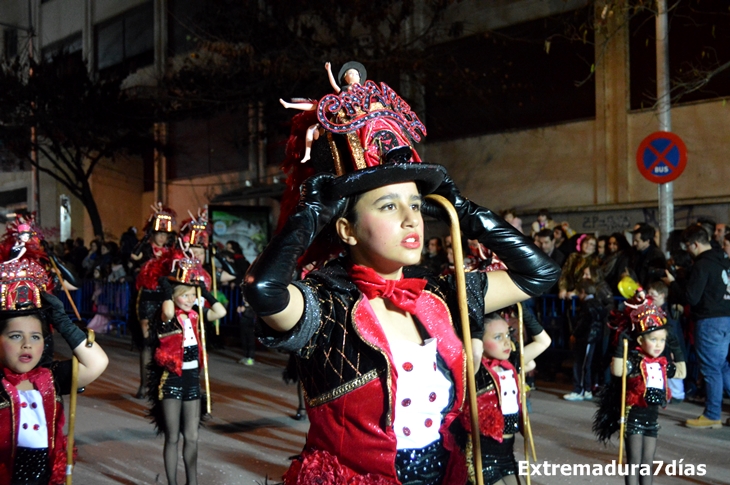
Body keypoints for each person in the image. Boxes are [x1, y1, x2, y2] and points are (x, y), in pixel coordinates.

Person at [0, 257, 109, 485]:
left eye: (36, 337)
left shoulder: (50, 376)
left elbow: (96, 363)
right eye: (15, 336)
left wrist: (64, 323)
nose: (27, 345)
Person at [146, 254, 227, 485]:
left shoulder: (197, 316)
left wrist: (204, 291)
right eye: (185, 295)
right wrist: (166, 288)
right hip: (171, 380)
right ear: (174, 297)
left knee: (192, 436)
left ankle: (192, 482)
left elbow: (220, 312)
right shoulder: (166, 317)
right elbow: (169, 311)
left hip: (192, 379)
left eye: (193, 295)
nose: (190, 299)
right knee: (172, 437)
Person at [594, 294, 682, 485]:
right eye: (653, 340)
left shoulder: (662, 364)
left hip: (652, 420)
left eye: (662, 340)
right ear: (641, 341)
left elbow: (681, 372)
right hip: (633, 419)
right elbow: (617, 370)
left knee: (647, 464)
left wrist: (677, 347)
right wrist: (619, 347)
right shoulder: (635, 361)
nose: (658, 345)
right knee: (634, 463)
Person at [456, 311, 550, 485]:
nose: (507, 342)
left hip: (507, 454)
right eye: (498, 337)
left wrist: (526, 312)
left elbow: (544, 342)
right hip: (481, 456)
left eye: (508, 334)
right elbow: (476, 354)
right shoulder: (475, 370)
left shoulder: (510, 364)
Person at [663, 224, 730, 429]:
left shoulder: (703, 265)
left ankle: (711, 415)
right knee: (723, 367)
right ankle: (714, 412)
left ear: (694, 244)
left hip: (709, 321)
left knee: (711, 369)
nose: (687, 250)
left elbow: (691, 297)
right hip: (726, 318)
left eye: (688, 246)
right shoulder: (723, 261)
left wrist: (672, 284)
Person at [132, 203, 176, 399]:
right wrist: (146, 233)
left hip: (166, 297)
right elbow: (133, 256)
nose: (161, 237)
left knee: (164, 342)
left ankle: (161, 384)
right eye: (158, 232)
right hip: (147, 297)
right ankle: (144, 385)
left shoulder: (172, 252)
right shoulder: (146, 249)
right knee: (148, 343)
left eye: (164, 234)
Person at [563, 280, 606, 401]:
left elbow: (583, 323)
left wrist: (575, 334)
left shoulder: (587, 305)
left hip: (586, 338)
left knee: (580, 364)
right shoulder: (598, 304)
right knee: (587, 365)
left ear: (583, 292)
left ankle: (579, 390)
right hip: (594, 338)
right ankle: (587, 389)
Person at [558, 234, 599, 300]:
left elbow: (591, 280)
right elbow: (564, 273)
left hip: (583, 295)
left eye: (591, 244)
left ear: (594, 248)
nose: (588, 245)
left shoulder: (595, 261)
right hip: (567, 293)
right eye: (586, 242)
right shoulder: (573, 257)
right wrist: (563, 288)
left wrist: (576, 292)